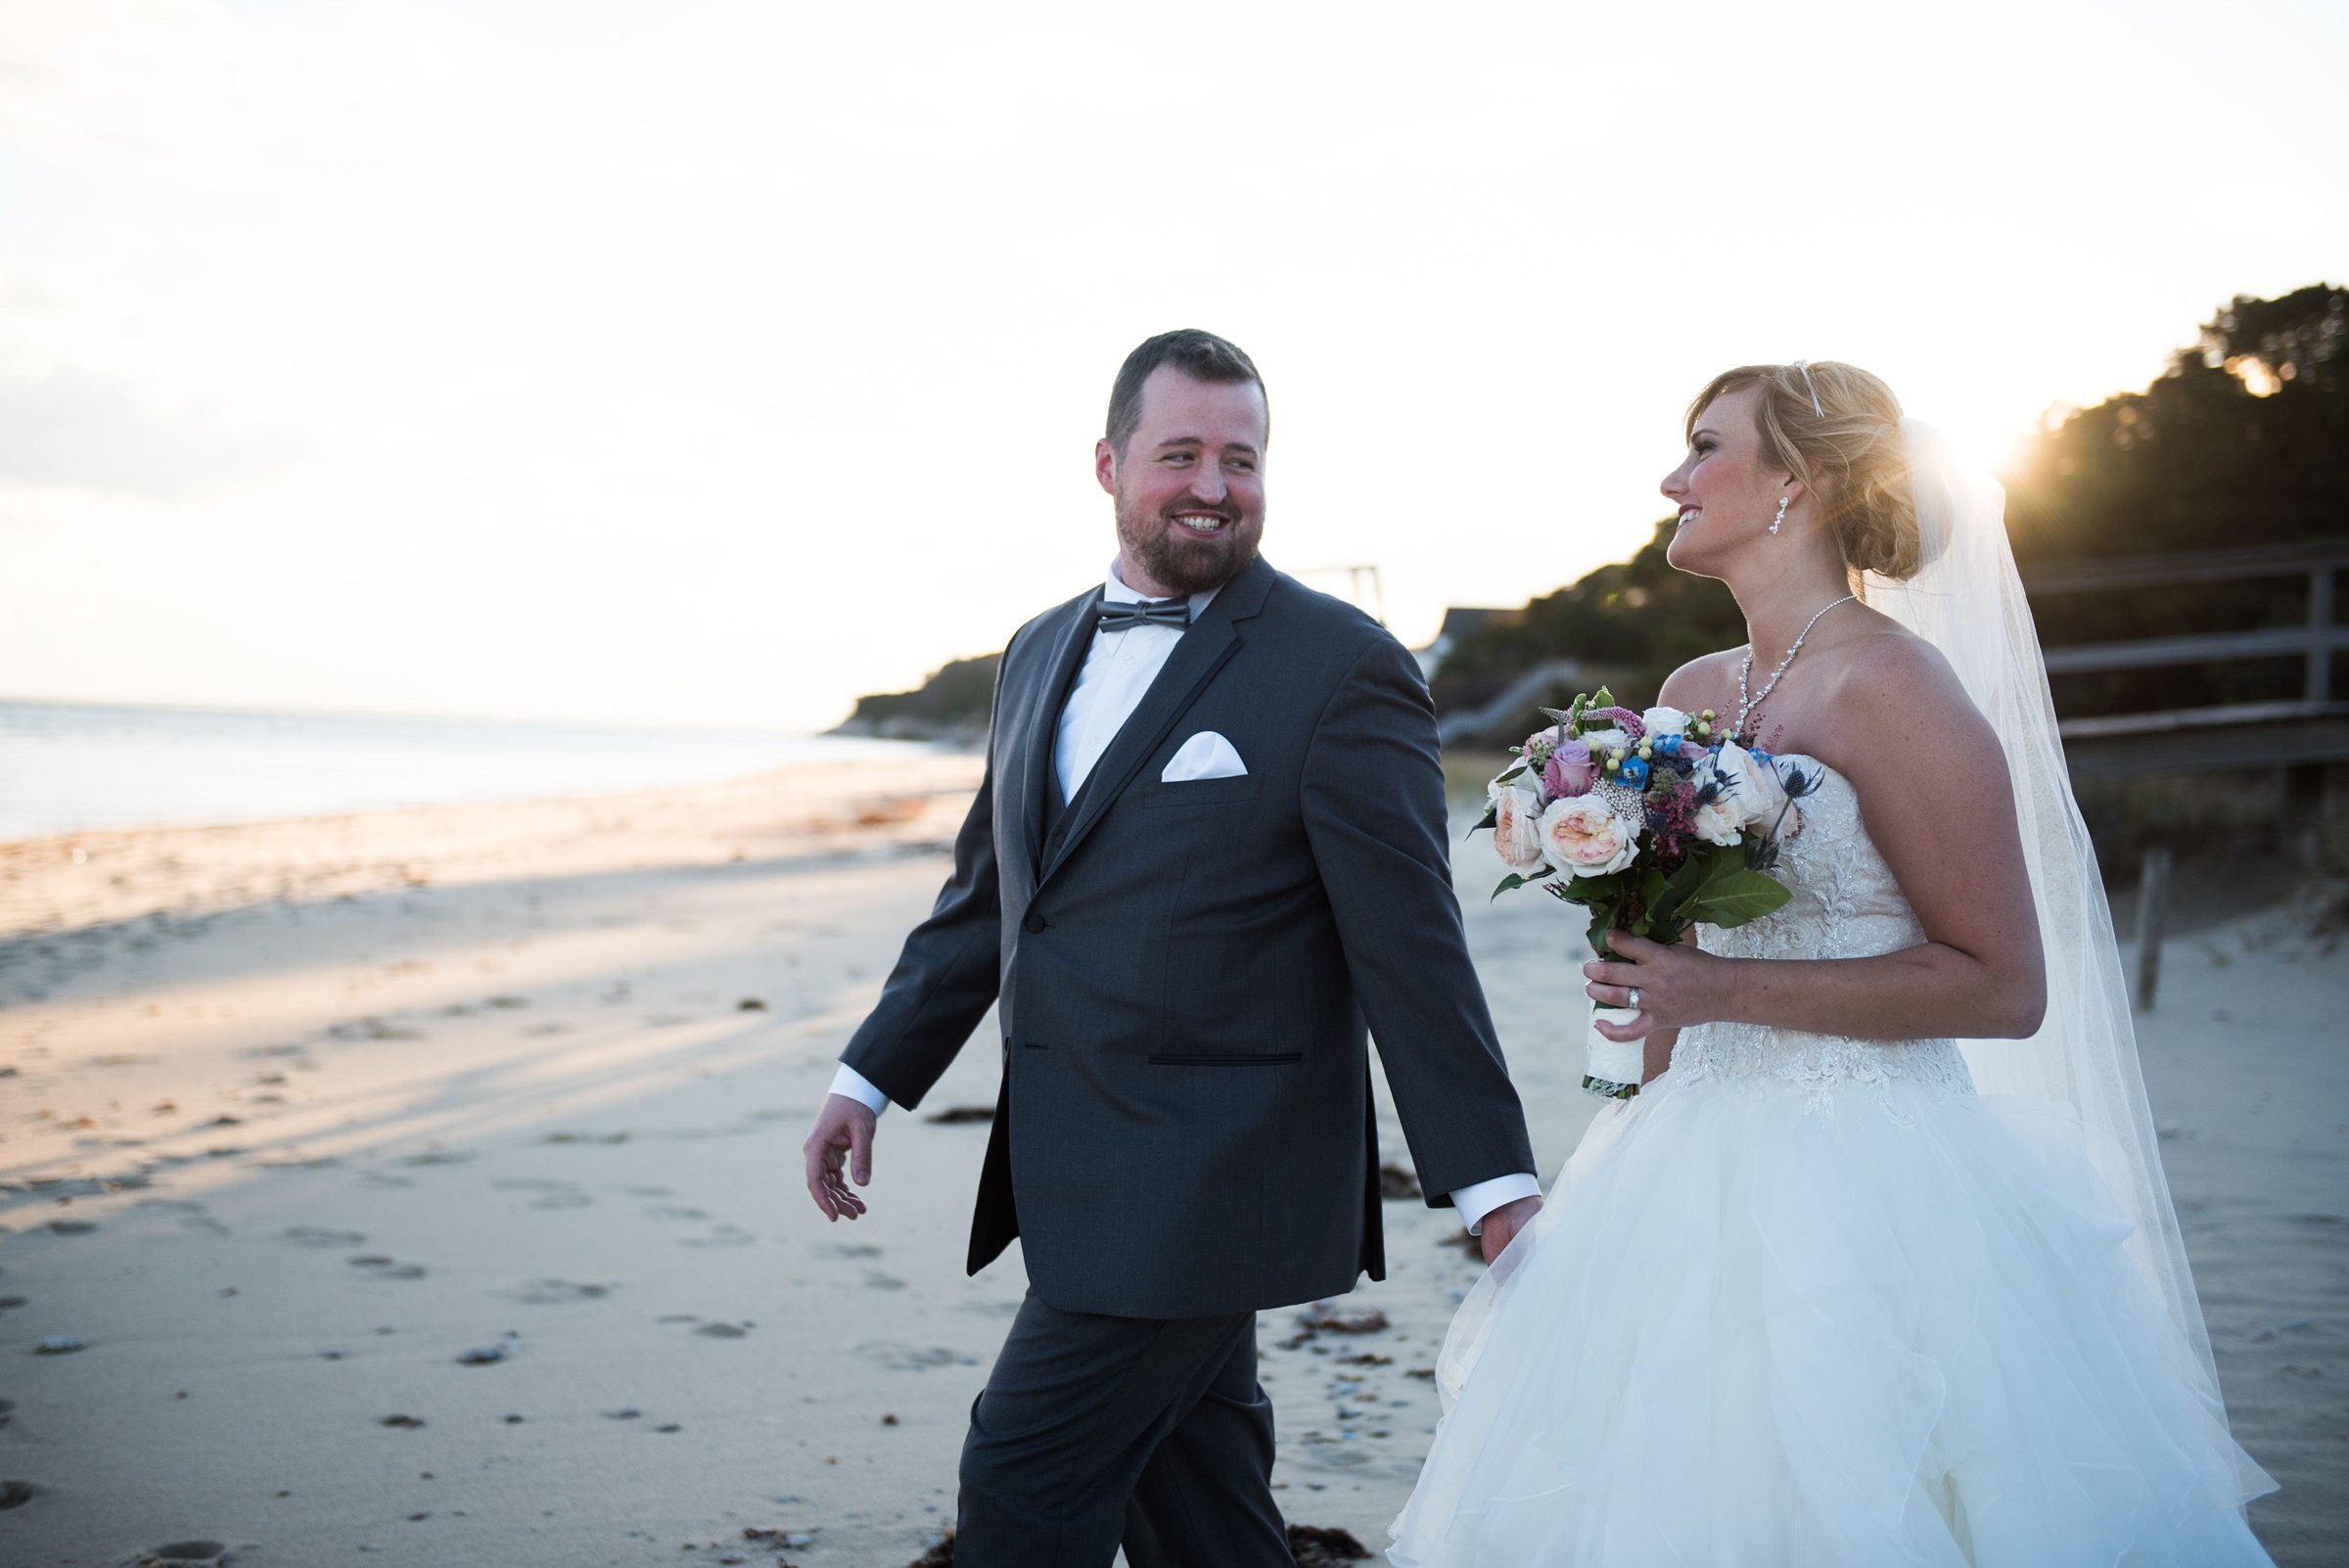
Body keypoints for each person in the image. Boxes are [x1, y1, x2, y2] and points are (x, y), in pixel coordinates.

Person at [1387, 361, 2279, 1566]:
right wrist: (1640, 993)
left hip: (1878, 1185)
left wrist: (1718, 990)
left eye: (1705, 448)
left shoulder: (1895, 684)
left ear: (1794, 483)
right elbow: (1687, 960)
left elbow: (2004, 985)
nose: (1673, 478)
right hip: (1683, 1171)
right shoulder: (1693, 697)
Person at [801, 328, 1541, 1568]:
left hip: (1210, 1179)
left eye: (1241, 458)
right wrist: (870, 1074)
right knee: (1194, 1503)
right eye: (1181, 452)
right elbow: (992, 896)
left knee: (1023, 1480)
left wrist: (1491, 1183)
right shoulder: (1039, 650)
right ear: (1107, 462)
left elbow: (1412, 944)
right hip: (1070, 1160)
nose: (1214, 484)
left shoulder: (1340, 666)